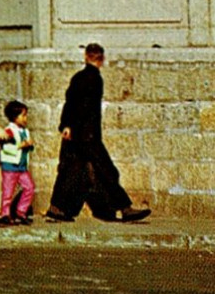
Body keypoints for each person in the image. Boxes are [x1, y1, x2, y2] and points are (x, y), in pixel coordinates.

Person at [46, 43, 151, 223]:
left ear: (86, 56)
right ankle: (124, 208)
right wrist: (70, 126)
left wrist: (66, 125)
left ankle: (57, 208)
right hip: (87, 136)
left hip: (78, 134)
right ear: (101, 59)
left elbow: (70, 103)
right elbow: (81, 107)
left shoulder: (80, 77)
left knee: (70, 170)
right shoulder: (93, 79)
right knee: (106, 171)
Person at [0, 100, 36, 225]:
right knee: (8, 191)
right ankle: (5, 214)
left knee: (29, 187)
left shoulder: (25, 131)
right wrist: (20, 145)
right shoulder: (9, 131)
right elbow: (6, 148)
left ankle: (21, 211)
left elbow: (27, 147)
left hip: (22, 166)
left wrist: (29, 145)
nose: (25, 118)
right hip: (10, 166)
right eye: (22, 115)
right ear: (14, 117)